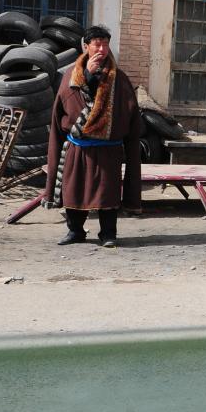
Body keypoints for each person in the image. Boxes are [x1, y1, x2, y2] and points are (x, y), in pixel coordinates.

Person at [43, 25, 142, 248]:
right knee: (73, 191)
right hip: (78, 147)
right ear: (85, 47)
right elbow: (61, 109)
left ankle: (108, 234)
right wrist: (88, 75)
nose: (101, 48)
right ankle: (75, 231)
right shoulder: (71, 75)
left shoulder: (120, 79)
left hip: (108, 148)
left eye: (105, 44)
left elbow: (130, 113)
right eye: (97, 43)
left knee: (107, 195)